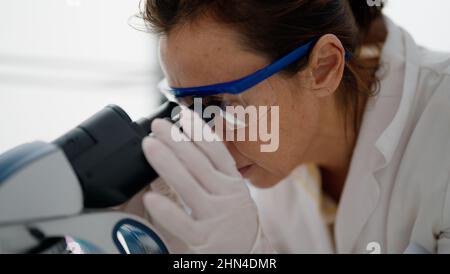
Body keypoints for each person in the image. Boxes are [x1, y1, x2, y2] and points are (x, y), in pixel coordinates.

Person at [121, 0, 450, 253]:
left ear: (323, 67)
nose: (210, 141)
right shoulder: (275, 168)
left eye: (222, 105)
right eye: (186, 108)